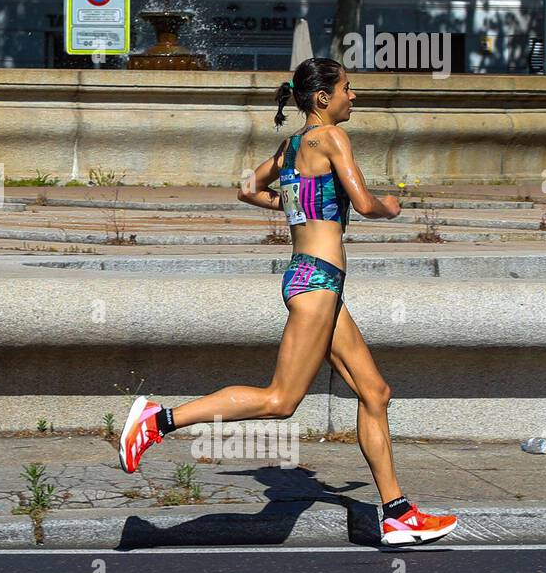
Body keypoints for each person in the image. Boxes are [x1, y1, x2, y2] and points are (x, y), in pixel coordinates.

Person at [117, 57, 458, 546]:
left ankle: (397, 513)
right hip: (317, 282)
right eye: (347, 89)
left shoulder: (294, 145)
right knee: (280, 400)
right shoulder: (333, 138)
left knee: (375, 392)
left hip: (316, 281)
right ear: (323, 97)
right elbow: (364, 203)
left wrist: (297, 204)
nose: (353, 97)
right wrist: (393, 206)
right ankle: (158, 420)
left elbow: (247, 189)